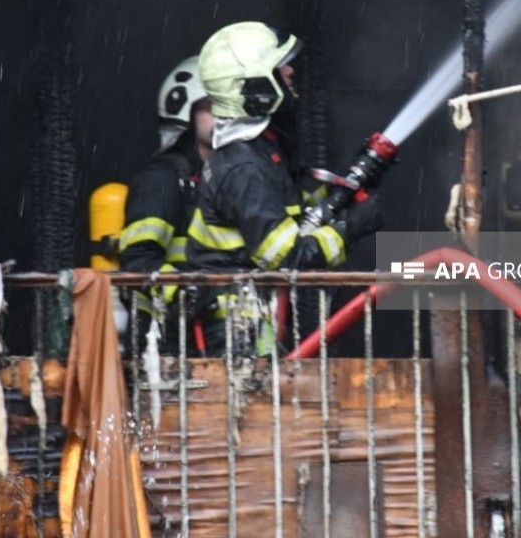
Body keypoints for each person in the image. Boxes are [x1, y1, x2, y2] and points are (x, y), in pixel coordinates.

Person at [187, 21, 381, 355]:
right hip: (241, 334)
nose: (290, 70)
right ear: (253, 85)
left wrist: (347, 191)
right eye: (279, 67)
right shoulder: (244, 169)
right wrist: (350, 229)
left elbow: (292, 211)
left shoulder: (258, 152)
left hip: (255, 322)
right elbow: (287, 257)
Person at [117, 56, 213, 343]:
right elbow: (139, 259)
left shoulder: (222, 175)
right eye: (211, 105)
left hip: (209, 335)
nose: (223, 115)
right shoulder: (163, 178)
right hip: (165, 339)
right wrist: (184, 291)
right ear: (185, 112)